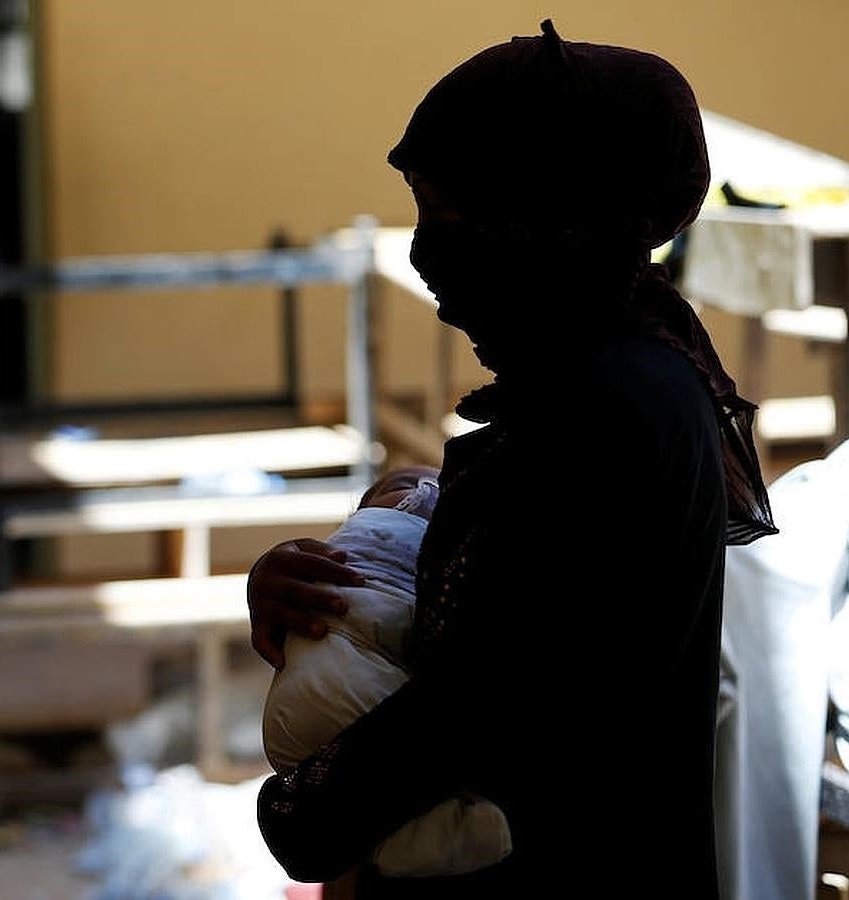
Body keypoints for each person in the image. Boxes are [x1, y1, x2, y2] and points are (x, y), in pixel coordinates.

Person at [247, 20, 776, 898]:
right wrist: (309, 590)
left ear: (554, 217)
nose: (424, 250)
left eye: (450, 211)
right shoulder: (586, 387)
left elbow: (487, 697)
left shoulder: (615, 409)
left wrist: (299, 812)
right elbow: (477, 618)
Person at [262, 466, 511, 880]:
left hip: (322, 743)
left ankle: (410, 840)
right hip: (336, 723)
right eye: (401, 487)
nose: (424, 491)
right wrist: (275, 577)